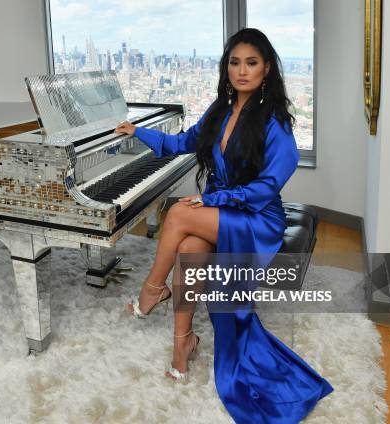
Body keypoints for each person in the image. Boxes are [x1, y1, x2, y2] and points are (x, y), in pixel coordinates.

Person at [115, 28, 333, 423]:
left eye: (251, 63)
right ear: (226, 67)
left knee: (180, 212)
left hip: (256, 217)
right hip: (221, 211)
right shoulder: (219, 111)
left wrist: (213, 199)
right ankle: (183, 346)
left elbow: (267, 188)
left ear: (267, 68)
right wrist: (137, 132)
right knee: (187, 248)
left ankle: (151, 293)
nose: (242, 70)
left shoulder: (276, 125)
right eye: (235, 62)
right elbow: (180, 143)